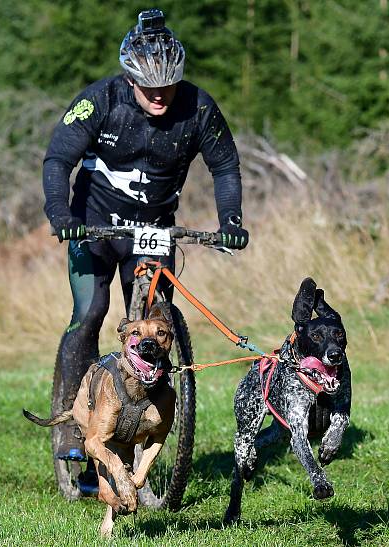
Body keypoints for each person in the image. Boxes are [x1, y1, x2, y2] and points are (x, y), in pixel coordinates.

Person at [42, 8, 248, 495]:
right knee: (90, 313)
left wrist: (232, 222)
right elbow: (57, 160)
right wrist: (61, 217)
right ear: (130, 78)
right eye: (148, 87)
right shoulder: (100, 100)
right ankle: (76, 426)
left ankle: (145, 428)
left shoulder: (198, 109)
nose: (159, 96)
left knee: (157, 324)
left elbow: (226, 167)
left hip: (153, 232)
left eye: (168, 87)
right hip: (93, 228)